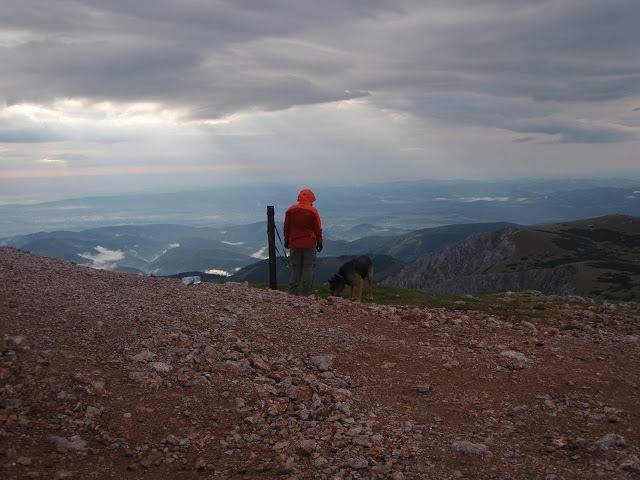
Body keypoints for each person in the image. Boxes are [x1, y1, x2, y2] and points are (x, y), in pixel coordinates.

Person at [284, 188, 323, 296]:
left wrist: (286, 240)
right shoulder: (313, 211)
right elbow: (317, 228)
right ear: (311, 198)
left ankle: (292, 293)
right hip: (309, 244)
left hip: (295, 244)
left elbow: (286, 227)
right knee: (308, 269)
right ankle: (306, 294)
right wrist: (319, 242)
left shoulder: (290, 210)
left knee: (295, 269)